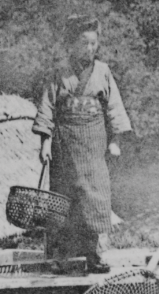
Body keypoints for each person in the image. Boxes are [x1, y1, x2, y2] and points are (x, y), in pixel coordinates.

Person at [33, 16, 133, 275]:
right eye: (83, 43)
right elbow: (47, 108)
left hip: (93, 144)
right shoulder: (59, 72)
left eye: (93, 44)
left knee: (95, 198)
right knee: (63, 199)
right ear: (72, 44)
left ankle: (94, 254)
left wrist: (115, 140)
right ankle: (61, 257)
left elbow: (114, 107)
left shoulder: (103, 71)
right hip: (65, 144)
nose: (89, 49)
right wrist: (45, 143)